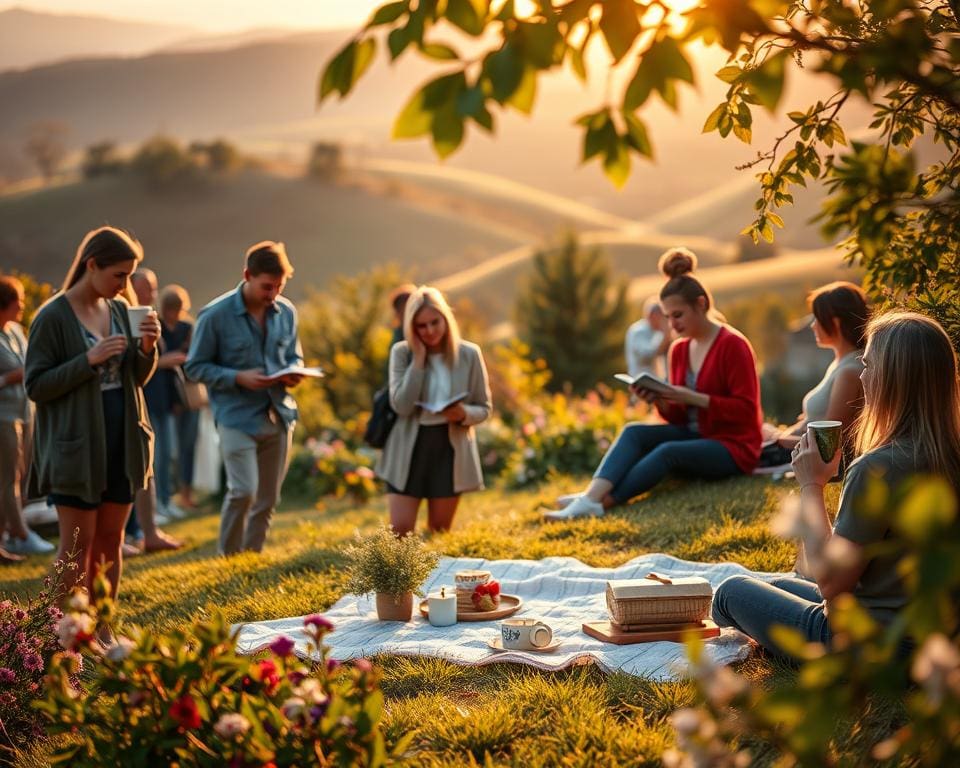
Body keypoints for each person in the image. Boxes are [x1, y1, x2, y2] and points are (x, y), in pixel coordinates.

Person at [712, 312, 960, 658]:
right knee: (780, 585)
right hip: (938, 637)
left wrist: (812, 484)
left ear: (892, 379)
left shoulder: (878, 468)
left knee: (730, 593)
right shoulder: (948, 455)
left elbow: (829, 583)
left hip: (873, 645)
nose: (861, 376)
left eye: (868, 365)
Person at [545, 247, 762, 520]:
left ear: (701, 304)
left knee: (667, 452)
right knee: (633, 432)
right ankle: (591, 496)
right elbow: (678, 417)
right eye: (668, 317)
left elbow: (746, 411)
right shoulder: (679, 350)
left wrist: (691, 397)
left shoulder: (734, 345)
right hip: (695, 435)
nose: (672, 325)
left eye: (678, 315)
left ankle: (601, 503)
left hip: (733, 446)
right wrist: (659, 398)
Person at [24, 226, 159, 601]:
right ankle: (60, 629)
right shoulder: (52, 317)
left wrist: (147, 347)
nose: (125, 285)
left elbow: (136, 378)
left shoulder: (120, 310)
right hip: (76, 449)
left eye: (129, 275)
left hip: (123, 442)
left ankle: (102, 626)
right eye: (119, 275)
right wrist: (88, 360)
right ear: (92, 265)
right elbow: (36, 386)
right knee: (75, 548)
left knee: (111, 539)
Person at [185, 241, 304, 555]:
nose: (273, 294)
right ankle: (229, 556)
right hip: (235, 415)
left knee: (268, 499)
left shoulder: (287, 312)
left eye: (279, 287)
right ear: (247, 275)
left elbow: (295, 356)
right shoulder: (214, 315)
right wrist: (237, 377)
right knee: (243, 491)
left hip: (278, 414)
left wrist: (294, 372)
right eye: (267, 286)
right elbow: (194, 367)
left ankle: (251, 555)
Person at [376, 285, 492, 536]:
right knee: (400, 533)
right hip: (408, 449)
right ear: (411, 327)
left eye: (434, 323)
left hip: (450, 449)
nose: (429, 331)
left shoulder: (469, 354)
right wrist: (418, 361)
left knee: (439, 533)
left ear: (446, 319)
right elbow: (401, 406)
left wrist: (464, 413)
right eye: (421, 326)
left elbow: (484, 408)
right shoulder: (402, 353)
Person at [761, 282, 869, 463]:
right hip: (800, 446)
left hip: (812, 456)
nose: (812, 326)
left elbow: (829, 443)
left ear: (835, 323)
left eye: (817, 319)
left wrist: (777, 440)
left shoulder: (849, 372)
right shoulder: (840, 363)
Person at [124, 269, 182, 554]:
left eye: (154, 288)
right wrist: (164, 360)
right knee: (139, 466)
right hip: (135, 400)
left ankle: (148, 524)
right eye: (147, 287)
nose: (152, 293)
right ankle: (134, 529)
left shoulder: (150, 317)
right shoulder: (123, 316)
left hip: (157, 400)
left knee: (155, 462)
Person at [0, 276, 55, 561]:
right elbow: (17, 372)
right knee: (7, 478)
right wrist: (10, 378)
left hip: (24, 413)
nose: (22, 306)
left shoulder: (16, 331)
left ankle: (6, 537)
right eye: (18, 301)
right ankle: (21, 534)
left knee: (20, 476)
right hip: (3, 416)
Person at [159, 284, 200, 510]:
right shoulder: (158, 327)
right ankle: (167, 495)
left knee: (188, 445)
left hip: (187, 394)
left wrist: (181, 358)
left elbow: (196, 359)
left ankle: (186, 493)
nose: (175, 314)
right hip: (164, 395)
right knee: (166, 450)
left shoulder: (188, 328)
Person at [625, 295, 670, 379]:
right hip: (642, 382)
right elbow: (648, 355)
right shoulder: (638, 331)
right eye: (662, 316)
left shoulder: (657, 332)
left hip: (655, 381)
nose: (664, 320)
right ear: (652, 315)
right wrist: (666, 334)